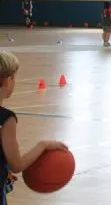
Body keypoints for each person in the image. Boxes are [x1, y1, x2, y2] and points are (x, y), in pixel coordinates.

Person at [0, 50, 69, 204]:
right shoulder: (6, 119)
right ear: (6, 81)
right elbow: (17, 165)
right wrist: (43, 145)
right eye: (14, 77)